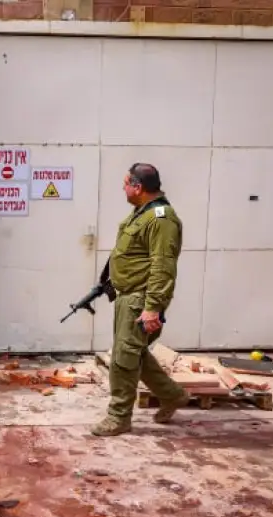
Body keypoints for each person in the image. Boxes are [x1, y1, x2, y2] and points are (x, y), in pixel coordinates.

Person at [92, 163, 189, 437]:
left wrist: (152, 307)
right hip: (128, 295)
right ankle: (172, 395)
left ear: (138, 187)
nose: (122, 188)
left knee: (124, 358)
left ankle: (118, 417)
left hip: (141, 298)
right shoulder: (141, 213)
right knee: (135, 353)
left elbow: (162, 265)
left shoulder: (161, 219)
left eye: (125, 183)